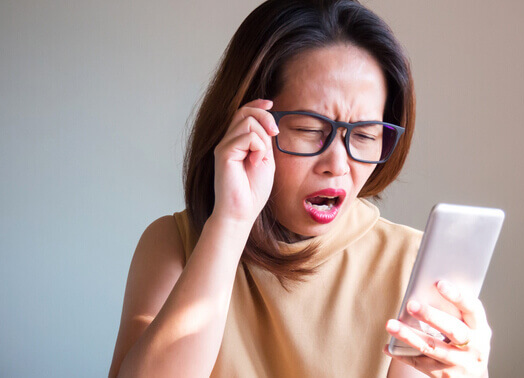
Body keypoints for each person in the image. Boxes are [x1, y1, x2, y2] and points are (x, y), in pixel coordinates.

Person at [109, 0, 492, 377]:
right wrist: (230, 223)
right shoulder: (174, 246)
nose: (339, 165)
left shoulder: (411, 268)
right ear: (247, 124)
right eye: (310, 130)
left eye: (364, 135)